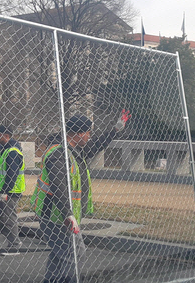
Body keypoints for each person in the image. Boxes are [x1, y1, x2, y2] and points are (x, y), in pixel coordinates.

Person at [33, 110, 131, 283]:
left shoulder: (75, 151)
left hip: (58, 214)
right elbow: (59, 186)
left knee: (60, 253)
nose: (89, 136)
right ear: (79, 134)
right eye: (88, 133)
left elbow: (96, 144)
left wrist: (115, 130)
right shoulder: (59, 154)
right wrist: (67, 214)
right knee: (75, 253)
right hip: (56, 215)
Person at [0, 124, 25, 250]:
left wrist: (5, 191)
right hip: (3, 190)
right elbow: (2, 173)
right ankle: (12, 238)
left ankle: (14, 244)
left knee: (9, 217)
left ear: (6, 136)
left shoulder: (12, 152)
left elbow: (12, 174)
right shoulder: (5, 150)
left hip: (11, 191)